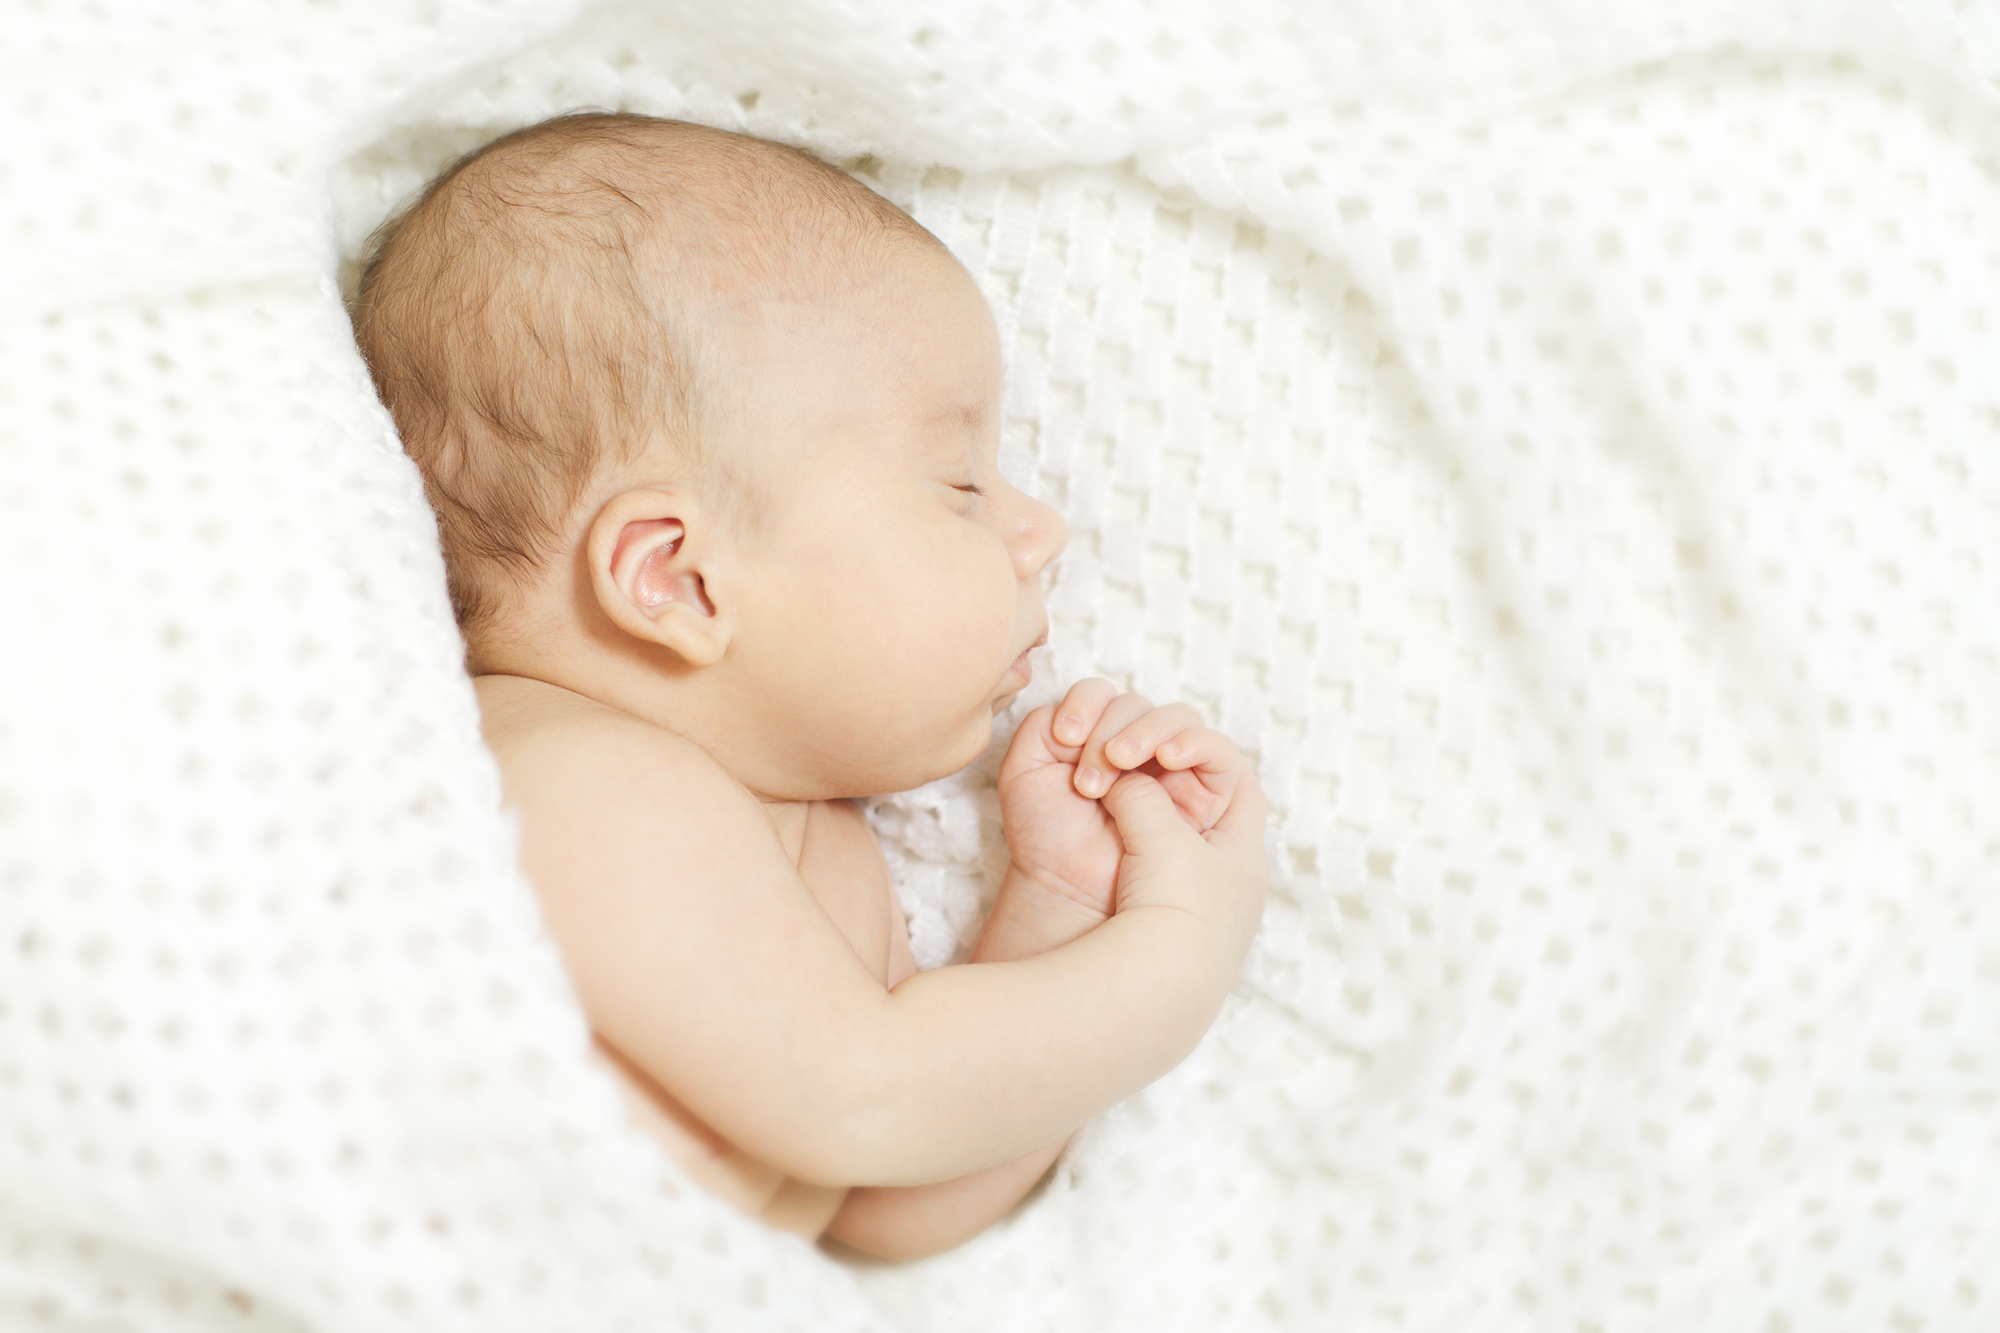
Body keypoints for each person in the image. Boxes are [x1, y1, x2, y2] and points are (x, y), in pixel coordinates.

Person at [349, 111, 1266, 1260]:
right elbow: (865, 1103)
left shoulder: (808, 839)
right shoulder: (571, 779)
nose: (1041, 529)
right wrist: (1182, 951)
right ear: (675, 578)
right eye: (958, 484)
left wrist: (1060, 907)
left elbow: (881, 1204)